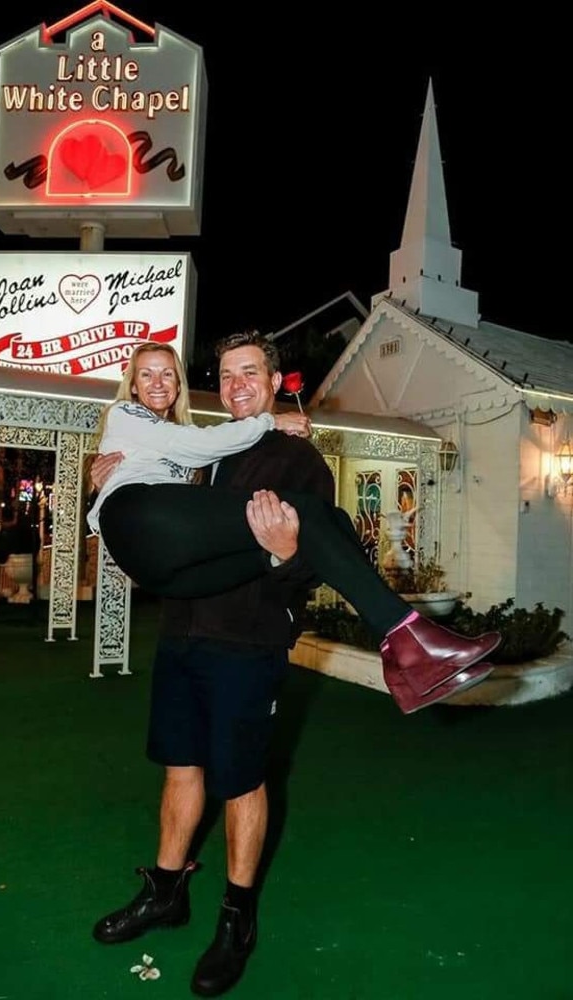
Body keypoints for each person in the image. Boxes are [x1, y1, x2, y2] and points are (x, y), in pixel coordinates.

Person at [87, 331, 497, 997]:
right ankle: (165, 894)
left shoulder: (296, 455)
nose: (238, 384)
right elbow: (178, 521)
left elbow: (305, 559)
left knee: (242, 780)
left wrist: (284, 552)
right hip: (184, 634)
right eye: (227, 375)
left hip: (246, 642)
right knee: (181, 766)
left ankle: (236, 916)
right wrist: (109, 475)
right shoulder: (206, 450)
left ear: (274, 381)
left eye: (251, 372)